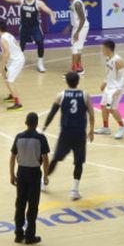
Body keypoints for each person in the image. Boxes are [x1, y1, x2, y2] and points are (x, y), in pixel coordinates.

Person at [42, 72, 95, 201]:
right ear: (78, 82)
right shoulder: (85, 95)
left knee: (56, 159)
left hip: (65, 132)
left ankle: (43, 182)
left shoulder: (61, 95)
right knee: (79, 162)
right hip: (79, 133)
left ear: (67, 82)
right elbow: (92, 115)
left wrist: (45, 127)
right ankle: (75, 190)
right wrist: (92, 130)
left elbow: (52, 113)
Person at [10, 112, 50, 245]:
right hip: (33, 173)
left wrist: (11, 174)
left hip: (21, 172)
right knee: (33, 205)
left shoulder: (18, 137)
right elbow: (45, 159)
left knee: (20, 204)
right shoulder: (40, 138)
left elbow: (12, 157)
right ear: (37, 123)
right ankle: (30, 236)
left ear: (25, 123)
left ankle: (18, 233)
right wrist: (46, 175)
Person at [0, 0, 56, 73]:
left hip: (35, 27)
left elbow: (49, 11)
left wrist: (52, 17)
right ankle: (16, 62)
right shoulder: (21, 0)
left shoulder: (38, 3)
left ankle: (40, 63)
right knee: (22, 45)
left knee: (40, 42)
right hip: (24, 26)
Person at [93, 40, 124, 139]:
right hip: (109, 87)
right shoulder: (108, 59)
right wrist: (105, 82)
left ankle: (122, 127)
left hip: (116, 88)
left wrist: (118, 89)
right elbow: (109, 73)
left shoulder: (118, 61)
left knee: (112, 109)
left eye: (103, 49)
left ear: (108, 49)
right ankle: (105, 127)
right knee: (104, 106)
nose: (102, 50)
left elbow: (123, 77)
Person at [0, 21, 26, 111]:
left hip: (16, 61)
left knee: (10, 81)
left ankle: (18, 103)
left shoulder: (2, 39)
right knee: (4, 74)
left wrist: (0, 65)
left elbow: (7, 54)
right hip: (14, 59)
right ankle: (12, 95)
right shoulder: (8, 35)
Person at [64, 0, 89, 74]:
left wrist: (77, 32)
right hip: (77, 26)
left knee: (75, 47)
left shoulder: (77, 3)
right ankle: (79, 68)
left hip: (82, 27)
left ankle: (73, 71)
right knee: (77, 48)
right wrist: (70, 26)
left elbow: (82, 18)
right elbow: (75, 18)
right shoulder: (72, 2)